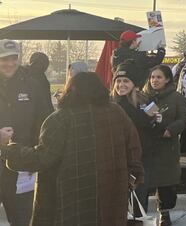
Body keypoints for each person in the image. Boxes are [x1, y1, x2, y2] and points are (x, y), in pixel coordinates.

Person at [0, 72, 143, 226]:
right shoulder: (116, 112)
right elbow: (133, 146)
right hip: (110, 199)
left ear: (70, 90)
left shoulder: (61, 118)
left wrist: (8, 149)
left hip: (71, 201)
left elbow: (42, 158)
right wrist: (134, 174)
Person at [0, 39, 53, 226]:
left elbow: (46, 122)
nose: (9, 63)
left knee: (22, 220)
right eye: (4, 59)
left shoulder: (32, 85)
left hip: (22, 164)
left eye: (13, 58)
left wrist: (37, 154)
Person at [110, 62, 160, 221]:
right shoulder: (111, 104)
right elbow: (135, 121)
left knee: (140, 199)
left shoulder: (143, 100)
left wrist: (155, 120)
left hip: (142, 156)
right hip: (120, 158)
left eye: (126, 81)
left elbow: (148, 126)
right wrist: (149, 118)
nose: (121, 85)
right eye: (118, 81)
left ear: (134, 83)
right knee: (121, 201)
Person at [140, 65, 186, 225]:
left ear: (167, 79)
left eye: (159, 77)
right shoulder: (142, 97)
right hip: (147, 145)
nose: (154, 80)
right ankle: (141, 214)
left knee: (166, 183)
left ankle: (164, 213)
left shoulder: (176, 97)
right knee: (144, 182)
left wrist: (171, 130)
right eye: (152, 77)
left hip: (167, 146)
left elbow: (183, 119)